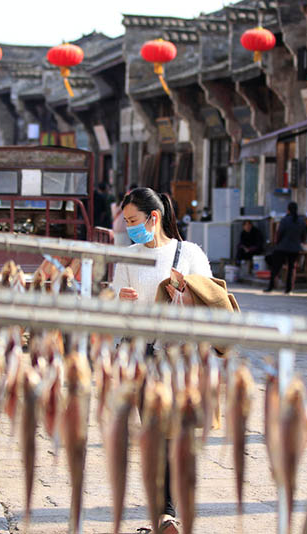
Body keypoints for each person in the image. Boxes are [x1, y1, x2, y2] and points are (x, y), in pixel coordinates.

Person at [112, 187, 211, 534]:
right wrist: (120, 301)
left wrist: (183, 296)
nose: (130, 228)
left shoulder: (190, 255)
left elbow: (209, 306)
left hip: (179, 356)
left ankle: (169, 509)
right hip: (140, 355)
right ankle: (164, 513)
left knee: (176, 434)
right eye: (126, 222)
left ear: (154, 218)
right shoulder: (128, 258)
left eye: (134, 220)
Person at [265, 201, 306, 294]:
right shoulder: (301, 221)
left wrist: (277, 243)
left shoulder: (285, 220)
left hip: (282, 247)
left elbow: (279, 234)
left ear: (288, 210)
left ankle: (271, 286)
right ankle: (288, 289)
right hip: (295, 248)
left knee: (276, 267)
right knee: (291, 269)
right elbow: (303, 235)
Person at [111, 182, 137, 247]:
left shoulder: (113, 205)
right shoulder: (126, 205)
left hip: (116, 228)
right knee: (126, 248)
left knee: (117, 246)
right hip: (124, 229)